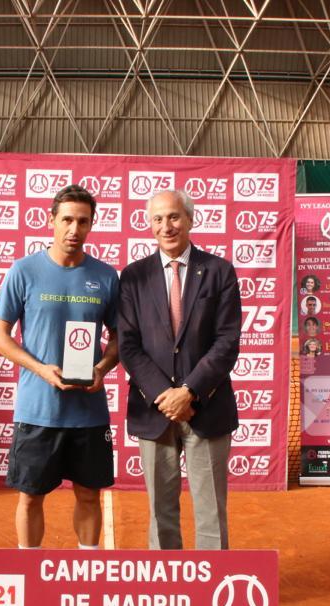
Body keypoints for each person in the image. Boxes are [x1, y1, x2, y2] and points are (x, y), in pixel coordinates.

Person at [0, 184, 120, 550]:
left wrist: (103, 368)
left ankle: (88, 571)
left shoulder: (106, 277)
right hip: (37, 411)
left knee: (90, 497)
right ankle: (29, 572)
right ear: (51, 221)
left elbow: (119, 338)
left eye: (83, 221)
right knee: (30, 498)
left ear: (92, 225)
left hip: (88, 414)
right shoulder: (24, 271)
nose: (73, 229)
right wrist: (40, 369)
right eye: (67, 220)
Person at [118, 189, 242, 551]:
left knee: (211, 514)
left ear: (189, 220)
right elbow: (128, 344)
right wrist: (164, 396)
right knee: (160, 513)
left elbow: (226, 342)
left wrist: (189, 392)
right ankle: (167, 590)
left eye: (173, 217)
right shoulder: (133, 277)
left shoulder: (220, 272)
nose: (166, 226)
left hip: (207, 408)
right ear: (149, 224)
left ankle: (211, 592)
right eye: (158, 219)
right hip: (153, 411)